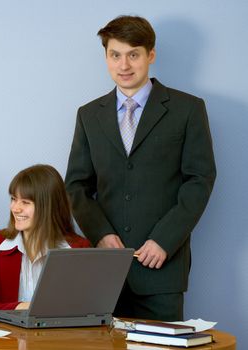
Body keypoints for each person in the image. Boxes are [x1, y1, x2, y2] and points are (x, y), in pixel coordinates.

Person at [65, 15, 216, 321]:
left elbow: (199, 179)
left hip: (162, 268)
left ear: (151, 55)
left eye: (133, 54)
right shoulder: (89, 115)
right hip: (106, 270)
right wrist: (101, 234)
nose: (124, 65)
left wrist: (165, 239)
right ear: (106, 57)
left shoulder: (188, 109)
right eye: (115, 55)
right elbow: (76, 186)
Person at [0, 164, 91, 310]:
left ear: (49, 206)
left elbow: (86, 308)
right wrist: (23, 307)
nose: (15, 208)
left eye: (25, 202)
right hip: (5, 333)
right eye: (14, 199)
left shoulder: (79, 249)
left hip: (59, 333)